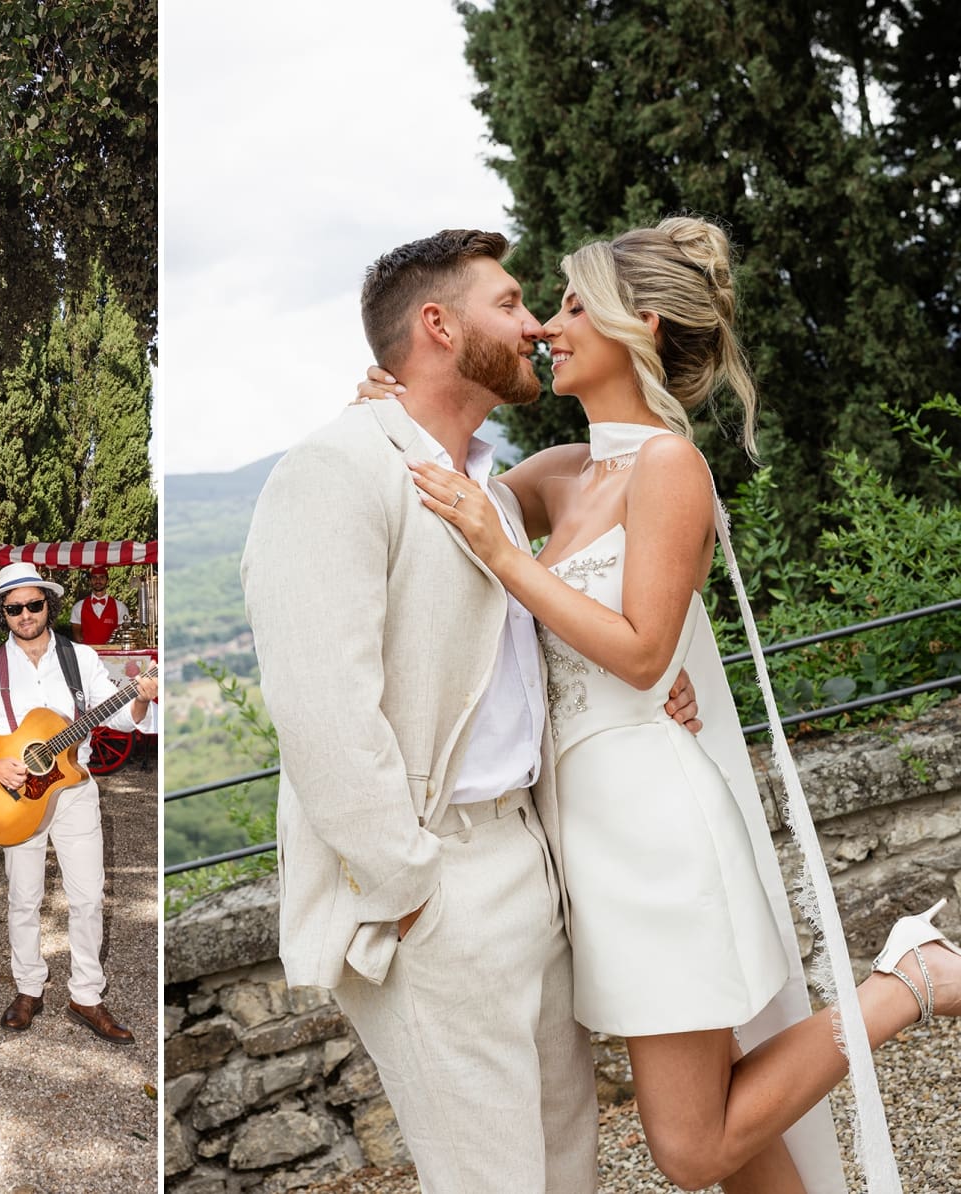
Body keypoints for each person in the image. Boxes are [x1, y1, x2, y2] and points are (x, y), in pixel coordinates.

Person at [361, 217, 961, 1192]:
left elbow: (642, 653)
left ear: (633, 324)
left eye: (566, 304)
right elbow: (441, 514)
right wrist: (384, 411)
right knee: (736, 1142)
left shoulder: (671, 467)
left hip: (653, 832)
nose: (547, 325)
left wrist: (510, 556)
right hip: (589, 838)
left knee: (688, 1149)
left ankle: (908, 983)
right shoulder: (560, 477)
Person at [242, 230, 704, 1194]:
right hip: (438, 884)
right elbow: (321, 710)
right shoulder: (334, 470)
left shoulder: (491, 483)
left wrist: (658, 672)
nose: (535, 324)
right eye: (511, 304)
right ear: (439, 326)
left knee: (565, 1168)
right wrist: (411, 890)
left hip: (533, 862)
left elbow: (594, 546)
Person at [0, 561, 158, 1042]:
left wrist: (139, 698)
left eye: (34, 604)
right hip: (14, 795)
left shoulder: (79, 658)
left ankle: (86, 997)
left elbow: (119, 719)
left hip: (74, 790)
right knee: (23, 898)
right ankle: (28, 988)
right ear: (3, 614)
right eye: (14, 608)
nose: (25, 614)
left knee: (87, 897)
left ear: (48, 605)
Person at [68, 568, 129, 645]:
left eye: (102, 577)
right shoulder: (78, 606)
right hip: (88, 654)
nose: (98, 580)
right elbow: (77, 634)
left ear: (107, 581)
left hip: (112, 655)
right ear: (90, 581)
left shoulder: (120, 607)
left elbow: (123, 634)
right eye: (94, 577)